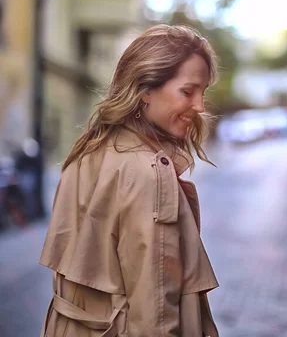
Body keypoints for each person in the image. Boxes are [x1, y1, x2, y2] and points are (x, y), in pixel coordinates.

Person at [39, 24, 220, 337]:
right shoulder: (149, 172)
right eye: (187, 91)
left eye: (202, 93)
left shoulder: (87, 152)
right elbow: (155, 316)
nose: (200, 106)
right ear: (145, 89)